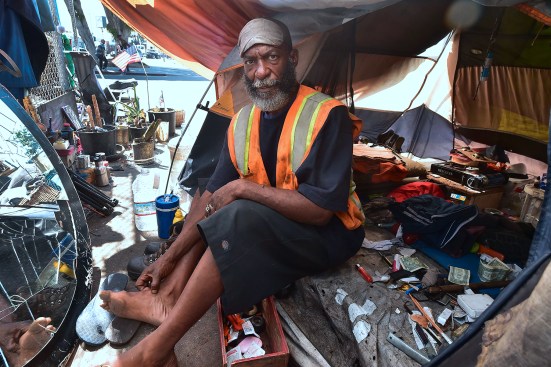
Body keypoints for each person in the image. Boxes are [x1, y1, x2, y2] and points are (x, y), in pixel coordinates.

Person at [99, 17, 365, 367]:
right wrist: (169, 257)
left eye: (271, 58)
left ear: (293, 58)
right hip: (277, 221)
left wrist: (245, 188)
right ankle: (164, 299)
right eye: (251, 62)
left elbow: (318, 212)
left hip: (329, 233)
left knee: (237, 210)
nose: (260, 72)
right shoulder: (242, 121)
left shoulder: (326, 115)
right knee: (212, 206)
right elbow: (209, 196)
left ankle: (157, 348)